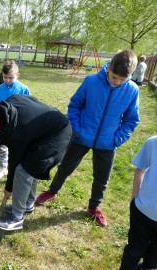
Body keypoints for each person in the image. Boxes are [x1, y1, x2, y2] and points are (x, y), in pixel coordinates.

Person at [36, 49, 140, 227]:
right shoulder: (91, 81)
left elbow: (131, 120)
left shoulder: (132, 90)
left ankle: (94, 206)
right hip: (81, 136)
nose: (117, 82)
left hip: (108, 143)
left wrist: (117, 139)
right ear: (109, 69)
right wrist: (77, 129)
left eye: (123, 80)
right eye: (114, 77)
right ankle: (53, 190)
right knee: (65, 166)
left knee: (102, 178)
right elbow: (75, 104)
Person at [0, 95, 73, 230]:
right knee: (29, 165)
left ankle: (16, 218)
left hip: (58, 134)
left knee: (24, 170)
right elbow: (33, 100)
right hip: (42, 132)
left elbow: (14, 161)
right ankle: (27, 204)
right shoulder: (11, 101)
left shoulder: (17, 130)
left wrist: (9, 187)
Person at [120, 136, 157, 270]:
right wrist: (134, 197)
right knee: (134, 251)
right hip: (142, 212)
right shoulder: (153, 142)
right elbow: (140, 169)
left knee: (153, 261)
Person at [0, 60, 30, 179]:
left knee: (16, 148)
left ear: (17, 75)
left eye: (10, 78)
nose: (7, 80)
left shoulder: (24, 89)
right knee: (2, 146)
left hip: (17, 125)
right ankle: (3, 168)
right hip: (1, 125)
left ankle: (16, 169)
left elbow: (29, 107)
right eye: (5, 77)